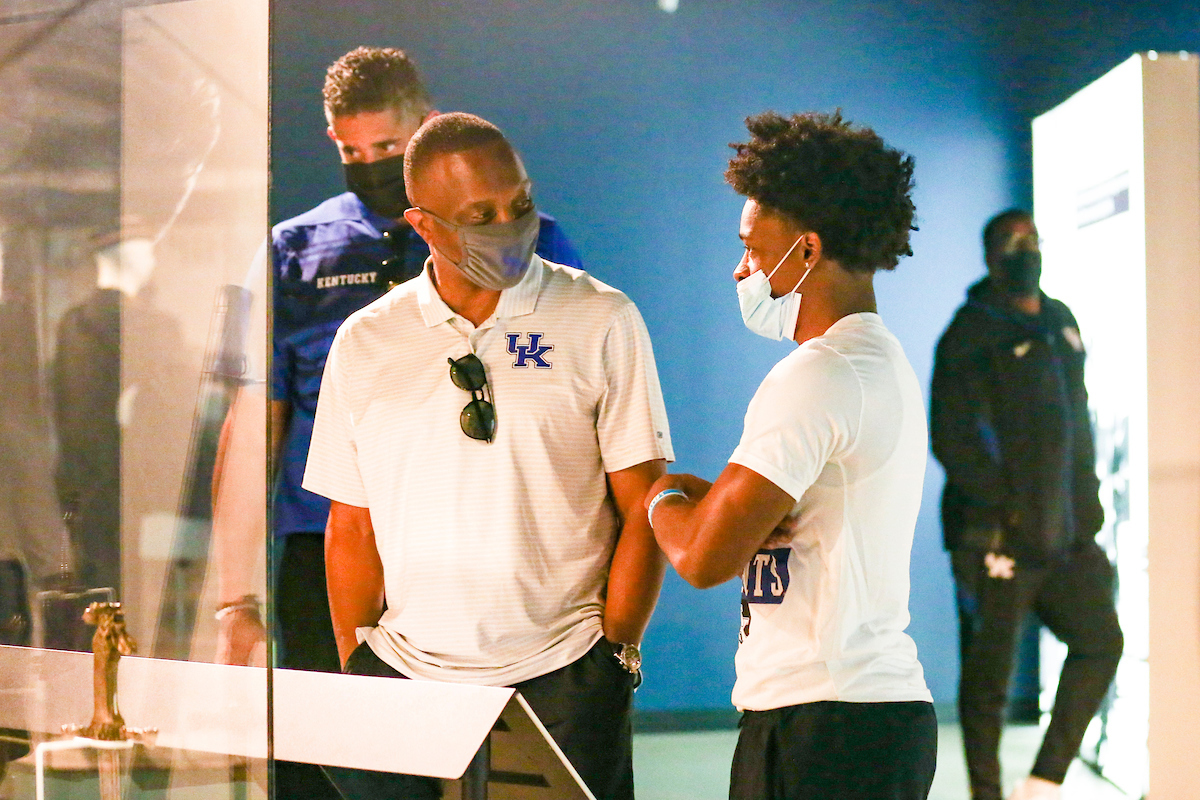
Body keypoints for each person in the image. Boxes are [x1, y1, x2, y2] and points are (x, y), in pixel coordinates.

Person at [241, 46, 586, 799]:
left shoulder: (530, 240)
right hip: (326, 539)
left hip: (479, 541)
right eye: (349, 151)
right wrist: (235, 582)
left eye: (386, 149)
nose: (367, 165)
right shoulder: (295, 250)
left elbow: (577, 404)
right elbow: (260, 417)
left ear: (423, 131)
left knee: (495, 760)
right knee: (330, 757)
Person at [303, 111, 672, 800]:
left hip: (564, 675)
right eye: (483, 214)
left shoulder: (601, 318)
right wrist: (358, 662)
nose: (512, 224)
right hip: (405, 675)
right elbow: (351, 523)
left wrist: (614, 654)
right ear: (425, 225)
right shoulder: (366, 341)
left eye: (521, 203)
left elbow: (645, 503)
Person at [645, 111, 936, 800]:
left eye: (751, 247)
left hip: (824, 726)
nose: (741, 268)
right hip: (860, 719)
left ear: (805, 252)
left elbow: (703, 557)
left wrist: (660, 496)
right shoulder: (873, 361)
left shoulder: (820, 373)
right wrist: (711, 508)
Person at [930, 209, 1123, 800]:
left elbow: (1080, 422)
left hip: (1067, 536)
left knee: (1100, 642)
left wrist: (1086, 508)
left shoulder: (1061, 321)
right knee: (988, 683)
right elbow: (950, 437)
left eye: (1033, 239)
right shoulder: (968, 332)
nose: (1027, 250)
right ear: (991, 257)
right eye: (1014, 243)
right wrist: (1004, 506)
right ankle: (985, 794)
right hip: (994, 540)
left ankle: (1042, 783)